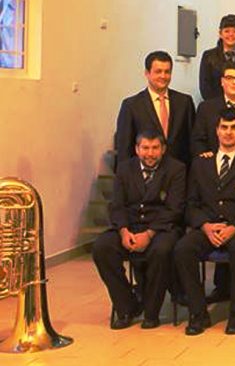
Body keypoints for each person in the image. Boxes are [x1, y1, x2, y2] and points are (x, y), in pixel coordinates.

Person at [174, 109, 235, 335]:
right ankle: (198, 313)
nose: (228, 132)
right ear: (216, 130)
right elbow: (191, 203)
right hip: (208, 226)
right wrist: (205, 226)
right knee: (183, 249)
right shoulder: (200, 164)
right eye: (224, 127)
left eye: (233, 127)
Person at [93, 130, 186, 330]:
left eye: (155, 148)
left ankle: (152, 313)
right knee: (102, 247)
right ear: (137, 149)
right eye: (145, 148)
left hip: (162, 228)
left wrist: (149, 234)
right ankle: (126, 306)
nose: (150, 153)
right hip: (129, 226)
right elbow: (117, 205)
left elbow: (174, 209)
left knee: (161, 251)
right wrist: (124, 231)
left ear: (163, 150)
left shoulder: (176, 169)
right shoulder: (125, 169)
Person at [114, 51, 195, 169]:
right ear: (147, 73)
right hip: (144, 175)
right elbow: (124, 148)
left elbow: (191, 141)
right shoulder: (132, 105)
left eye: (167, 72)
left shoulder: (184, 102)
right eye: (158, 72)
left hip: (179, 174)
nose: (163, 76)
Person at [199, 14, 235, 100]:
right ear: (220, 34)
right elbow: (205, 87)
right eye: (227, 31)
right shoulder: (208, 56)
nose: (231, 35)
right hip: (214, 107)